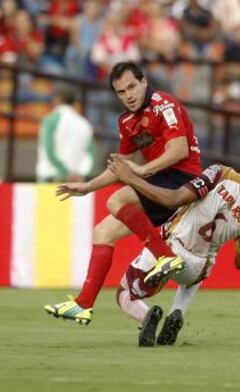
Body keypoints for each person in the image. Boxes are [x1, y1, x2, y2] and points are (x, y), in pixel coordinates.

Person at [44, 62, 202, 325]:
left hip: (183, 180)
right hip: (156, 182)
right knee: (102, 232)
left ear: (143, 81)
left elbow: (179, 151)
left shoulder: (164, 104)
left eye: (131, 87)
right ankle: (83, 305)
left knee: (116, 199)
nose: (128, 95)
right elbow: (121, 167)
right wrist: (87, 186)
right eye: (121, 91)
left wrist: (141, 171)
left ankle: (164, 256)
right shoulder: (127, 121)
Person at [107, 152, 240, 347]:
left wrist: (131, 179)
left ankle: (147, 314)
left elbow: (174, 199)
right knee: (198, 272)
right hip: (196, 269)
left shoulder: (220, 173)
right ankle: (178, 311)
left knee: (124, 293)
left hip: (169, 250)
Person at [36, 86, 95, 182]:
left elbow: (49, 149)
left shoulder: (50, 120)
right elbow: (91, 153)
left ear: (57, 99)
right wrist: (81, 172)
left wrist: (65, 172)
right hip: (76, 182)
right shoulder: (84, 123)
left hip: (50, 179)